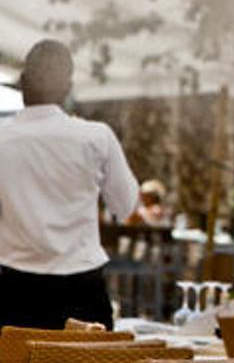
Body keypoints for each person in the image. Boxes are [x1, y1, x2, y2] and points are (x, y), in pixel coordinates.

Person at [0, 39, 139, 331]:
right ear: (67, 88)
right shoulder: (95, 137)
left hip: (14, 288)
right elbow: (125, 205)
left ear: (22, 83)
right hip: (82, 287)